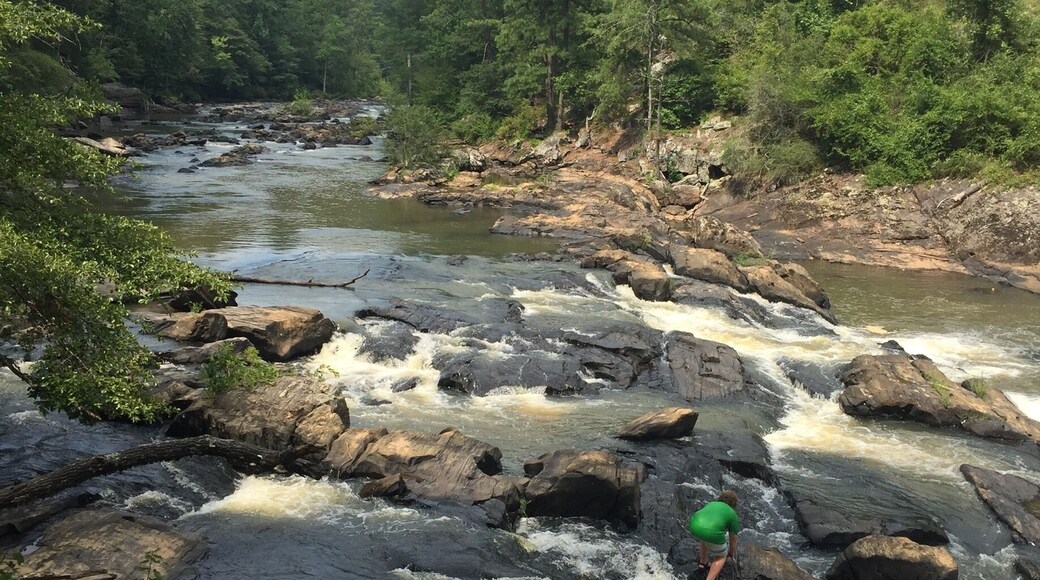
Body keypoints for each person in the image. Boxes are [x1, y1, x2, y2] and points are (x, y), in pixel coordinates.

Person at [687, 490, 739, 580]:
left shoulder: (712, 503)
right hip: (711, 533)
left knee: (704, 537)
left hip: (694, 524)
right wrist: (730, 553)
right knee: (721, 556)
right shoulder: (732, 514)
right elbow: (733, 538)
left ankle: (703, 563)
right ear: (733, 504)